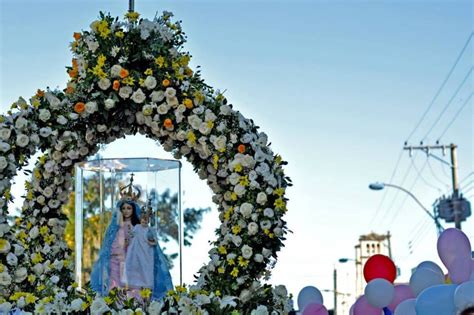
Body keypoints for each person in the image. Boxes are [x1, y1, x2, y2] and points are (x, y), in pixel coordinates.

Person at [90, 198, 141, 295]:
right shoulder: (117, 228)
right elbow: (112, 244)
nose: (126, 211)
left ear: (133, 210)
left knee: (132, 287)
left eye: (129, 208)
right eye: (123, 208)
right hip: (116, 260)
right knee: (115, 286)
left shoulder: (137, 227)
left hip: (132, 261)